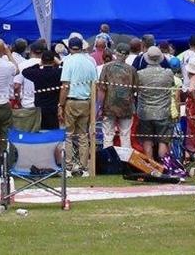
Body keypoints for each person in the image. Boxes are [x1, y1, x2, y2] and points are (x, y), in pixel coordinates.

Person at [58, 36, 97, 175]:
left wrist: (60, 105)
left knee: (68, 134)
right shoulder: (90, 63)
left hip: (71, 100)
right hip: (86, 101)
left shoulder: (68, 62)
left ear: (69, 48)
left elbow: (65, 86)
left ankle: (68, 167)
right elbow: (94, 86)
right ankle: (84, 167)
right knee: (83, 135)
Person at [98, 43, 137, 148]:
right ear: (127, 55)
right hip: (126, 107)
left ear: (116, 53)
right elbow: (135, 89)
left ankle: (109, 161)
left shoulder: (107, 67)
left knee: (108, 136)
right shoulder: (132, 70)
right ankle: (125, 162)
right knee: (125, 136)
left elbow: (102, 89)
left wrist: (99, 107)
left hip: (109, 106)